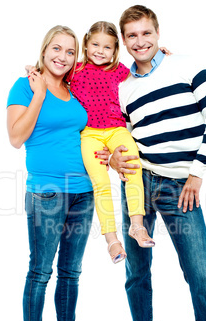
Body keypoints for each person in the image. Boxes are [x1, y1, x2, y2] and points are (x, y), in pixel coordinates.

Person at [109, 5, 206, 321]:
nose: (140, 42)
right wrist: (113, 158)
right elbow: (122, 137)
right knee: (137, 271)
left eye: (146, 33)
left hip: (181, 186)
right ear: (124, 42)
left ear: (157, 34)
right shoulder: (124, 88)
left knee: (201, 277)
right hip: (139, 183)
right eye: (132, 36)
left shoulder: (188, 66)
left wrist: (196, 173)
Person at [7, 25, 95, 321]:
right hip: (46, 192)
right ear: (44, 51)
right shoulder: (25, 86)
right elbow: (15, 137)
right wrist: (39, 94)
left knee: (71, 272)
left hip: (84, 192)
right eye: (56, 49)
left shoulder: (75, 89)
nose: (62, 56)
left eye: (70, 51)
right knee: (41, 271)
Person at [70, 21, 156, 264]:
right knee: (100, 184)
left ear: (115, 49)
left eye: (107, 47)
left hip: (116, 129)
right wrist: (32, 69)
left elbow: (147, 74)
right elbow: (52, 72)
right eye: (95, 44)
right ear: (86, 45)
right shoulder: (74, 71)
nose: (100, 50)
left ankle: (137, 226)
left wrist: (163, 55)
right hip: (90, 134)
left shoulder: (121, 71)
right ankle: (111, 240)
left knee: (133, 168)